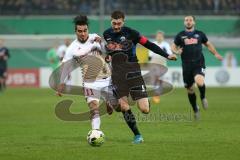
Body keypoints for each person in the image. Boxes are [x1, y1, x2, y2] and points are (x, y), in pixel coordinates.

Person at [103, 10, 177, 143]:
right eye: (114, 23)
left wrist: (167, 55)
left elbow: (149, 45)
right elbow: (109, 51)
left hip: (134, 72)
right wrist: (107, 56)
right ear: (111, 21)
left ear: (123, 21)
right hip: (118, 74)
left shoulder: (133, 33)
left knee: (144, 109)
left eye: (119, 23)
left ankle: (116, 100)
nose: (116, 26)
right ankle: (137, 135)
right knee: (124, 106)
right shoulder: (107, 34)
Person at [56, 15, 117, 132]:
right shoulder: (72, 48)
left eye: (85, 30)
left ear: (88, 29)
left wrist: (103, 43)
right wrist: (61, 83)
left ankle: (109, 103)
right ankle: (96, 132)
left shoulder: (95, 37)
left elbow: (108, 52)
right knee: (93, 107)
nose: (83, 34)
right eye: (80, 31)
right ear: (75, 31)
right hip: (90, 82)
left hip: (106, 78)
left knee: (117, 106)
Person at [171, 15, 223, 120]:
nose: (188, 22)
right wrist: (176, 52)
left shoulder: (200, 34)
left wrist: (216, 54)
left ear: (194, 22)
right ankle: (195, 108)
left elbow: (208, 44)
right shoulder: (180, 35)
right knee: (190, 89)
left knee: (199, 81)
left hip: (198, 63)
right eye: (186, 20)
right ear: (184, 22)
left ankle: (203, 97)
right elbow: (173, 46)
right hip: (186, 66)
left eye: (190, 20)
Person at [148, 30, 173, 103]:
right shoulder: (153, 44)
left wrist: (170, 55)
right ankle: (156, 94)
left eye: (160, 36)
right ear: (156, 37)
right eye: (158, 36)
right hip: (154, 62)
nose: (159, 37)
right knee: (155, 78)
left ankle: (157, 92)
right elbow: (150, 54)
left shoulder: (166, 44)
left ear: (162, 37)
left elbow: (169, 53)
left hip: (162, 62)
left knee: (160, 79)